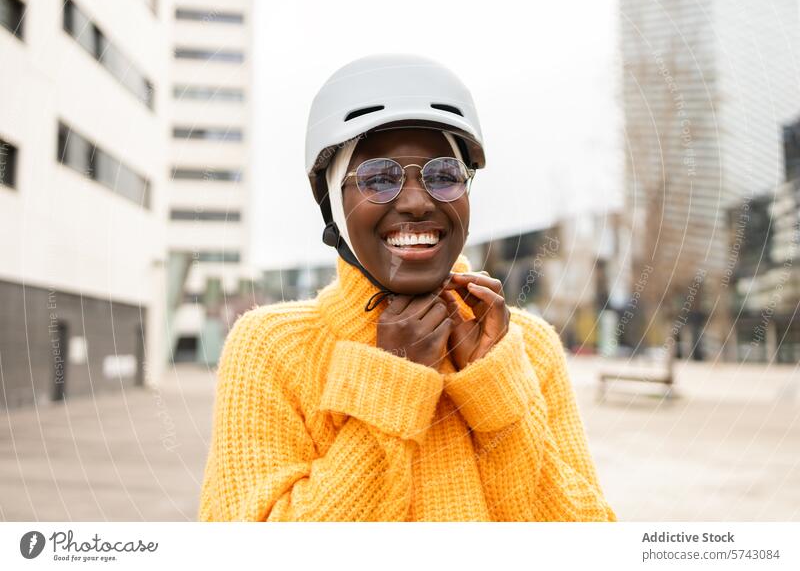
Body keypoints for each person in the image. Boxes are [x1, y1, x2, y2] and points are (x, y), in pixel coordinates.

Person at [197, 54, 616, 522]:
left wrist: (497, 391)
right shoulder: (271, 349)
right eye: (378, 178)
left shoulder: (526, 349)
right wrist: (389, 382)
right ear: (331, 200)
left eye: (443, 176)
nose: (417, 202)